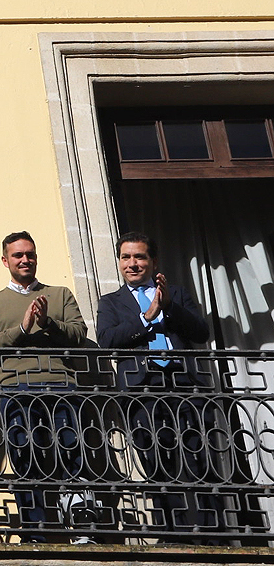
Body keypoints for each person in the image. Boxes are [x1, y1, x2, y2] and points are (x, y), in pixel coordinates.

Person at [97, 231, 227, 539]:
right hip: (142, 388)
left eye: (140, 257)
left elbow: (200, 332)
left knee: (199, 456)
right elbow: (107, 341)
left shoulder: (177, 294)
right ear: (119, 262)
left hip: (185, 383)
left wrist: (169, 306)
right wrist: (146, 317)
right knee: (156, 459)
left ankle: (213, 533)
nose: (133, 264)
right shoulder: (111, 302)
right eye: (126, 257)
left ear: (153, 261)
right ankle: (172, 533)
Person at [0, 231, 90, 540]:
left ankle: (81, 529)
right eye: (18, 255)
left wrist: (48, 323)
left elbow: (79, 334)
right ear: (5, 260)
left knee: (72, 454)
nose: (25, 260)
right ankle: (36, 533)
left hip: (61, 385)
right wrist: (23, 328)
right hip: (16, 389)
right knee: (25, 459)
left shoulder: (60, 294)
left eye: (30, 254)